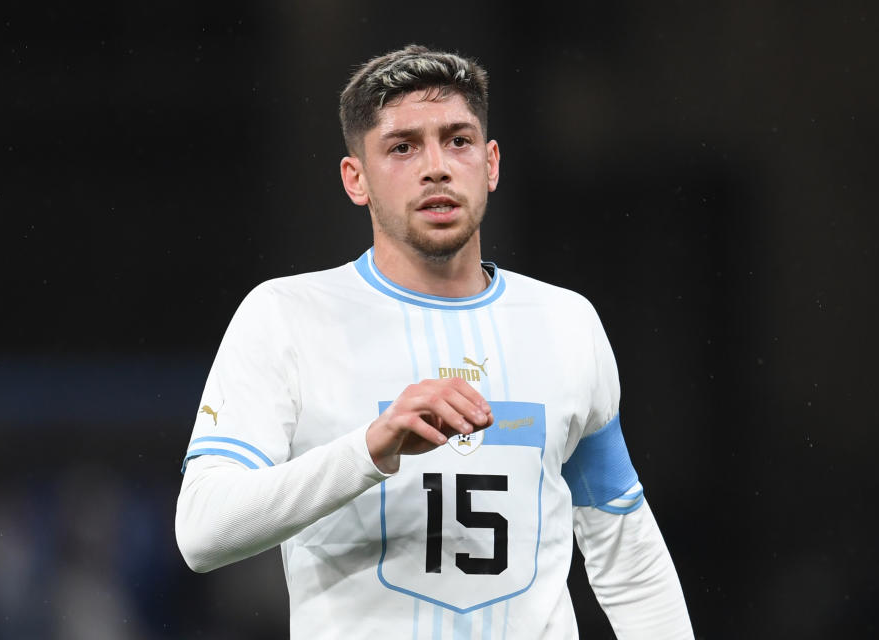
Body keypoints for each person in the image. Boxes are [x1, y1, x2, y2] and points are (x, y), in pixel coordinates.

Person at [175, 44, 693, 639]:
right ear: (356, 178)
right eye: (402, 147)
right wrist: (370, 449)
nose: (437, 167)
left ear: (492, 164)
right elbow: (202, 531)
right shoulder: (286, 317)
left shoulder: (566, 321)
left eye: (458, 140)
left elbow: (626, 556)